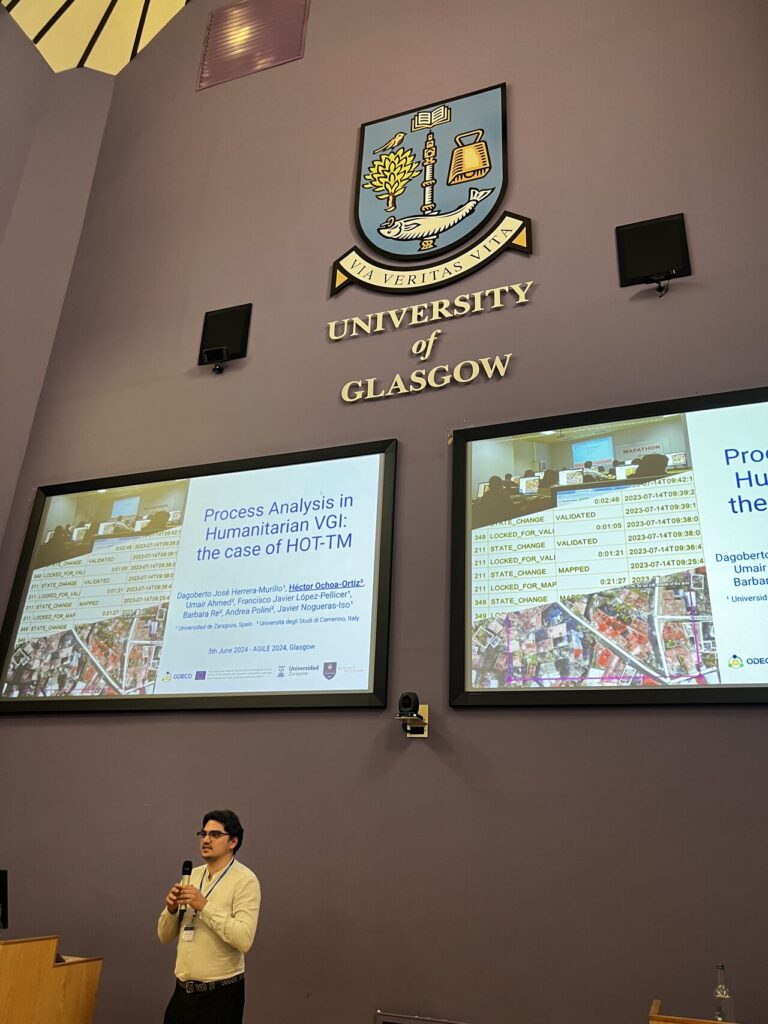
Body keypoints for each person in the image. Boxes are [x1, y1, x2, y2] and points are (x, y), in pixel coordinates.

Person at [158, 809, 261, 1024]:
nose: (206, 839)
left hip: (220, 997)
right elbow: (164, 936)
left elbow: (244, 939)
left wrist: (204, 906)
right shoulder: (192, 876)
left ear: (233, 842)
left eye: (215, 835)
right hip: (183, 993)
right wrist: (171, 910)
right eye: (203, 834)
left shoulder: (245, 881)